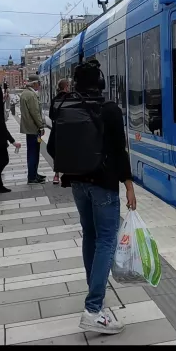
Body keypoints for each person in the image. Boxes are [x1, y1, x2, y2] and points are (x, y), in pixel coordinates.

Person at [47, 60, 136, 335]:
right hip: (103, 185)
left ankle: (94, 297)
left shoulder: (66, 107)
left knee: (91, 236)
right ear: (100, 83)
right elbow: (119, 152)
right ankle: (94, 308)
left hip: (77, 184)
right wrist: (129, 184)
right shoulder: (109, 110)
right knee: (107, 239)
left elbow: (51, 146)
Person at [19, 74, 46, 184]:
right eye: (38, 83)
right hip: (33, 128)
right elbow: (35, 113)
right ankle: (32, 177)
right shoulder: (31, 95)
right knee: (34, 153)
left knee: (32, 152)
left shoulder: (25, 94)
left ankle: (34, 174)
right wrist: (41, 126)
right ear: (34, 83)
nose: (39, 86)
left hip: (28, 127)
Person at [49, 79, 70, 185]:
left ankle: (56, 174)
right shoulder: (71, 98)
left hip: (57, 130)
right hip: (69, 131)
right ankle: (68, 173)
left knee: (54, 150)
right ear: (66, 87)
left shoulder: (55, 99)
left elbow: (51, 116)